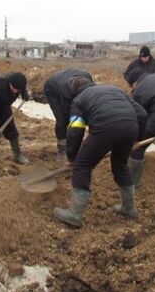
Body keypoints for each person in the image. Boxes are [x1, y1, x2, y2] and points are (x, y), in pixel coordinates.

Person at [54, 82, 148, 227]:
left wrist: (72, 158)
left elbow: (75, 130)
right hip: (131, 128)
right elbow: (142, 115)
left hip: (106, 127)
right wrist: (137, 138)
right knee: (120, 166)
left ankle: (74, 214)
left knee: (82, 166)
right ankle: (129, 209)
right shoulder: (117, 90)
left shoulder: (79, 100)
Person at [43, 68, 94, 159]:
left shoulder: (88, 78)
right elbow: (72, 116)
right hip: (51, 89)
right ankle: (62, 148)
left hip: (65, 79)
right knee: (62, 119)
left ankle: (75, 145)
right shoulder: (66, 92)